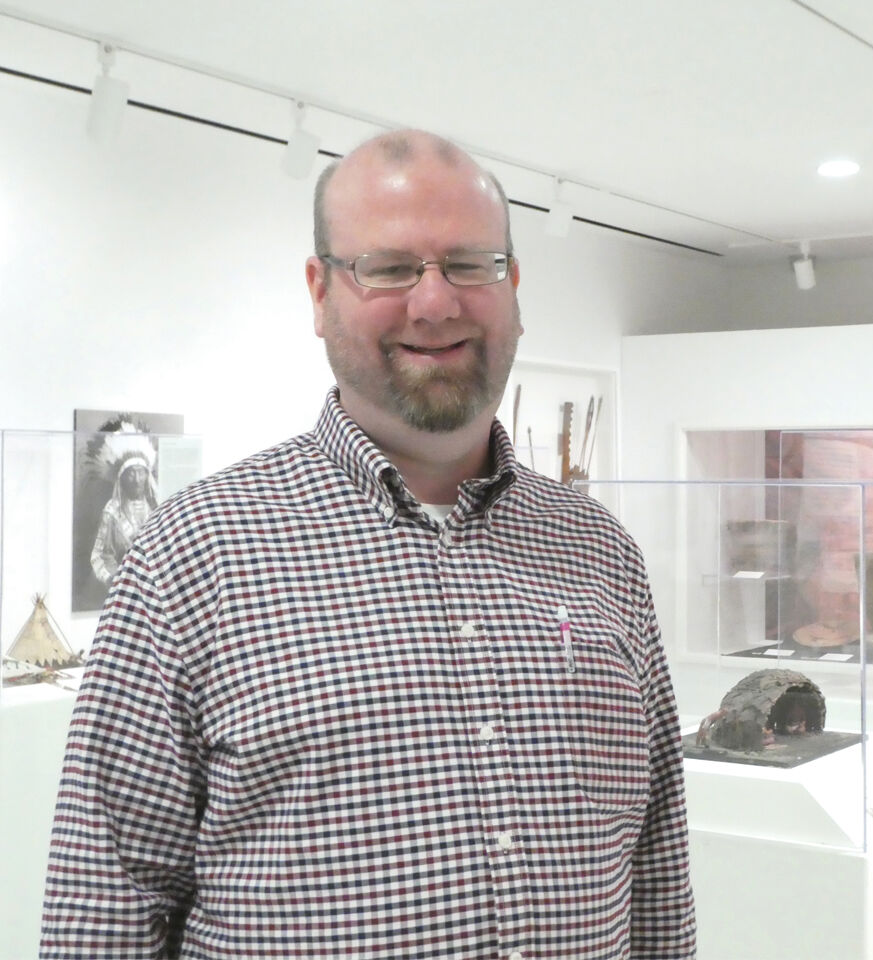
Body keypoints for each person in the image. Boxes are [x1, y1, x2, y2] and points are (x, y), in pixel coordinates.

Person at [40, 129, 696, 960]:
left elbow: (657, 868)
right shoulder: (192, 556)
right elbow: (107, 905)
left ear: (515, 286)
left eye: (470, 264)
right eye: (388, 268)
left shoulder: (598, 549)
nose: (435, 302)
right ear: (319, 293)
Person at [89, 453, 158, 586]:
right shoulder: (112, 510)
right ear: (123, 478)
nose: (137, 480)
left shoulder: (156, 507)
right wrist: (116, 580)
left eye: (141, 473)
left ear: (147, 476)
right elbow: (100, 555)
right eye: (131, 474)